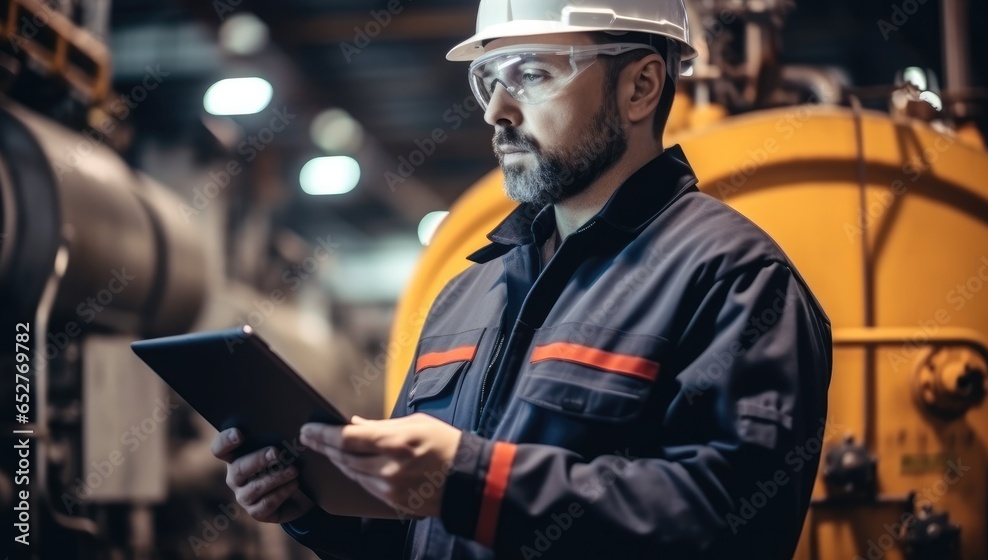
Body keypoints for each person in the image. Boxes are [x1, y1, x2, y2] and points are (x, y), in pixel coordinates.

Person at [211, 0, 833, 558]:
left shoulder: (735, 279)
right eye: (488, 81)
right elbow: (415, 535)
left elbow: (730, 524)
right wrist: (319, 507)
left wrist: (472, 480)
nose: (498, 112)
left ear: (641, 85)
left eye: (531, 75)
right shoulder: (467, 295)